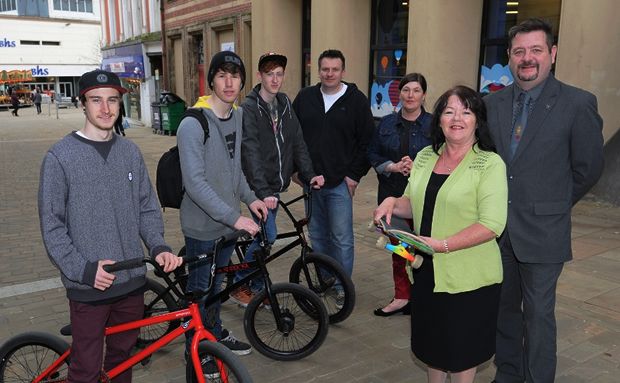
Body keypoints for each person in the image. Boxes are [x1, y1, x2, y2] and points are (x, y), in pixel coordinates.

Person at [38, 69, 183, 383]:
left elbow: (146, 207)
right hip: (89, 287)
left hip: (131, 284)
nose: (105, 109)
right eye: (96, 100)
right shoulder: (60, 157)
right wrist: (83, 269)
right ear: (83, 104)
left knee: (121, 363)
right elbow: (52, 226)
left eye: (112, 100)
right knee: (86, 371)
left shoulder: (129, 152)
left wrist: (158, 246)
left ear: (120, 104)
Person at [484, 18, 604, 383]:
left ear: (552, 53)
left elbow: (588, 168)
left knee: (539, 316)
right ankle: (508, 374)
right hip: (498, 232)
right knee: (503, 311)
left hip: (544, 233)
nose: (527, 58)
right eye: (519, 51)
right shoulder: (492, 104)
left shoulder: (577, 103)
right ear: (509, 57)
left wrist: (552, 204)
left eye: (536, 50)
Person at [374, 85, 508, 383]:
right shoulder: (425, 156)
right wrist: (392, 202)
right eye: (449, 111)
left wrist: (443, 245)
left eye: (466, 111)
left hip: (469, 278)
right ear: (439, 120)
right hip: (425, 270)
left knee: (462, 353)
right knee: (431, 347)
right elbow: (414, 203)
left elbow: (492, 224)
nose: (456, 118)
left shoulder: (489, 164)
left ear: (478, 120)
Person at [176, 51, 268, 364]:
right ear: (211, 79)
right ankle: (194, 347)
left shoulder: (238, 116)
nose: (229, 82)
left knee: (216, 287)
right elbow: (195, 184)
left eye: (235, 75)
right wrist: (235, 217)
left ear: (242, 81)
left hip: (229, 226)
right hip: (202, 226)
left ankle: (214, 332)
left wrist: (251, 198)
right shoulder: (192, 124)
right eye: (222, 75)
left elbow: (234, 170)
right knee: (199, 291)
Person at [230, 52, 325, 306]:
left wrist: (310, 174)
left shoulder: (284, 103)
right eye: (269, 74)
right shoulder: (249, 108)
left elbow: (298, 143)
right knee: (268, 236)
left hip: (275, 185)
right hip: (258, 187)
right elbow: (250, 151)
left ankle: (259, 286)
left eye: (279, 74)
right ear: (260, 75)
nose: (275, 79)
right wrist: (263, 191)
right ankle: (240, 282)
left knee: (264, 237)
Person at [292, 49, 375, 281]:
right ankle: (326, 282)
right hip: (310, 182)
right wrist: (295, 170)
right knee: (317, 236)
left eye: (335, 69)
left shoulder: (357, 101)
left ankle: (342, 288)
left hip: (340, 183)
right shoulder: (305, 97)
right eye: (325, 69)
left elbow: (368, 142)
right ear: (317, 71)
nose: (329, 74)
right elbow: (291, 136)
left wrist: (354, 175)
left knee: (342, 239)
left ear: (343, 71)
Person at [367, 72, 432, 317]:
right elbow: (372, 153)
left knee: (426, 248)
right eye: (406, 90)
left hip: (424, 199)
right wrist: (392, 166)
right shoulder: (385, 124)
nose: (410, 95)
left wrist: (418, 166)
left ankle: (425, 298)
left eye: (416, 90)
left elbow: (446, 157)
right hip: (391, 197)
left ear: (423, 95)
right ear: (400, 94)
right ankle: (402, 296)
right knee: (398, 248)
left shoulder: (435, 125)